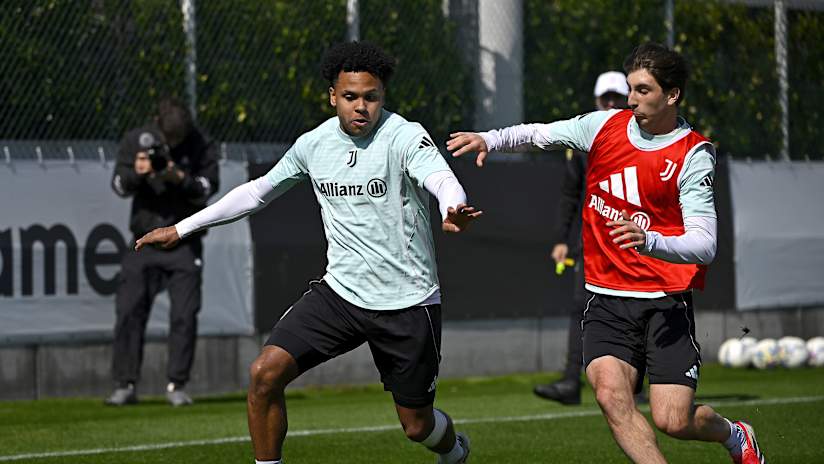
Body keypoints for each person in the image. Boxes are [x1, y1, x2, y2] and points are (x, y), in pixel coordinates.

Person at [134, 41, 479, 464]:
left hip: (406, 303)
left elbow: (441, 177)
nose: (361, 107)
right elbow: (257, 193)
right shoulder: (313, 145)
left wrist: (452, 206)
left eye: (371, 97)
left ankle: (454, 450)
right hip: (341, 295)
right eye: (350, 97)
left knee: (416, 426)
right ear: (333, 95)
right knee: (264, 374)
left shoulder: (403, 135)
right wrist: (182, 228)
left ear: (382, 97)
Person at [447, 43, 765, 464]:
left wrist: (649, 240)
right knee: (611, 395)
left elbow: (705, 244)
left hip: (664, 304)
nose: (632, 100)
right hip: (606, 299)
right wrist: (490, 137)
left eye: (644, 90)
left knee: (673, 419)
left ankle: (735, 435)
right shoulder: (603, 126)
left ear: (672, 95)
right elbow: (539, 134)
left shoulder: (692, 155)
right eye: (631, 88)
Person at [107, 98, 219, 407]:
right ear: (157, 125)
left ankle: (176, 385)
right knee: (129, 310)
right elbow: (118, 184)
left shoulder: (201, 144)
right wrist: (139, 173)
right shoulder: (138, 140)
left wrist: (179, 178)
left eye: (178, 140)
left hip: (184, 243)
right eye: (168, 138)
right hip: (144, 240)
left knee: (184, 314)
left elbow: (209, 188)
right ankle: (125, 384)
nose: (171, 144)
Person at [533, 71, 630, 406]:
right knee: (581, 307)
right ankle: (571, 381)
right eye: (606, 98)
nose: (612, 104)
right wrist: (561, 239)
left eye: (618, 97)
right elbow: (569, 195)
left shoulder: (644, 137)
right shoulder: (583, 143)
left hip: (635, 238)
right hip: (592, 241)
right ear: (596, 101)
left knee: (638, 307)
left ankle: (638, 381)